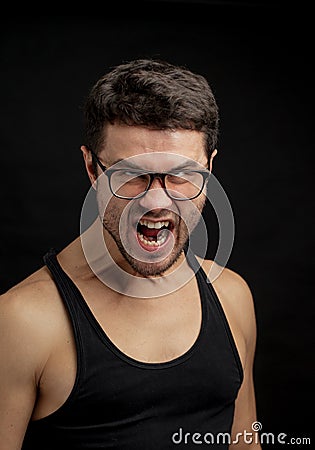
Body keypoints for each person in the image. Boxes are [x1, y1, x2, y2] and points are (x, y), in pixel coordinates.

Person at [0, 58, 261, 449]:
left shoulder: (231, 295)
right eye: (131, 174)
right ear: (92, 167)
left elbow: (246, 443)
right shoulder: (22, 322)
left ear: (210, 167)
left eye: (181, 174)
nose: (157, 201)